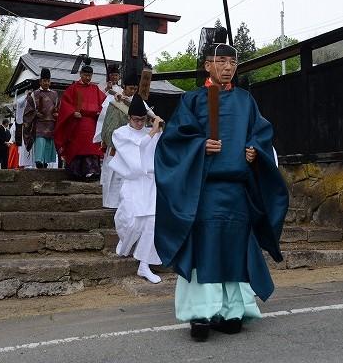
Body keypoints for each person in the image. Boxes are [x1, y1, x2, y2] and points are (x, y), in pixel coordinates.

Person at [154, 35, 289, 341]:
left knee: (235, 252)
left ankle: (232, 312)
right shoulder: (191, 100)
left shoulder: (245, 100)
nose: (228, 67)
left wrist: (255, 149)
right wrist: (200, 146)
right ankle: (200, 315)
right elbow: (171, 143)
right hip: (206, 192)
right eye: (222, 61)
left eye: (233, 62)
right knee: (206, 252)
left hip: (238, 192)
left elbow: (261, 133)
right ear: (208, 66)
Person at [110, 93, 163, 284]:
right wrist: (152, 132)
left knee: (151, 223)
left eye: (143, 119)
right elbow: (135, 157)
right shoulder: (120, 134)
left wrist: (157, 127)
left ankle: (144, 265)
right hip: (132, 182)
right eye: (135, 119)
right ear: (128, 118)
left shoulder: (154, 131)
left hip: (149, 183)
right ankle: (125, 243)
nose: (139, 123)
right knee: (131, 221)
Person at [54, 60, 105, 180]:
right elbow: (65, 104)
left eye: (90, 76)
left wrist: (101, 111)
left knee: (91, 147)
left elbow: (104, 102)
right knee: (78, 147)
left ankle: (92, 172)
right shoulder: (72, 88)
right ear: (81, 74)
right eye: (86, 75)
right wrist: (72, 112)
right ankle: (76, 173)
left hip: (91, 123)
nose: (87, 78)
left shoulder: (95, 89)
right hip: (77, 123)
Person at [96, 74, 139, 207]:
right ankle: (110, 203)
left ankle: (124, 203)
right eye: (131, 88)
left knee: (125, 175)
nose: (133, 91)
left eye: (135, 89)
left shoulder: (138, 102)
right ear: (124, 87)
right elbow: (105, 120)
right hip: (115, 145)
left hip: (129, 146)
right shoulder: (114, 98)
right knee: (112, 173)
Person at [23, 68, 59, 169]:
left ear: (50, 81)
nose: (46, 83)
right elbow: (27, 111)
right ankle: (38, 161)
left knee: (48, 143)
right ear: (40, 81)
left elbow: (57, 108)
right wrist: (35, 113)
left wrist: (57, 114)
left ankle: (46, 162)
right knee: (40, 141)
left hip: (51, 123)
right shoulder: (34, 94)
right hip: (39, 124)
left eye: (48, 81)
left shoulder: (55, 94)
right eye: (44, 81)